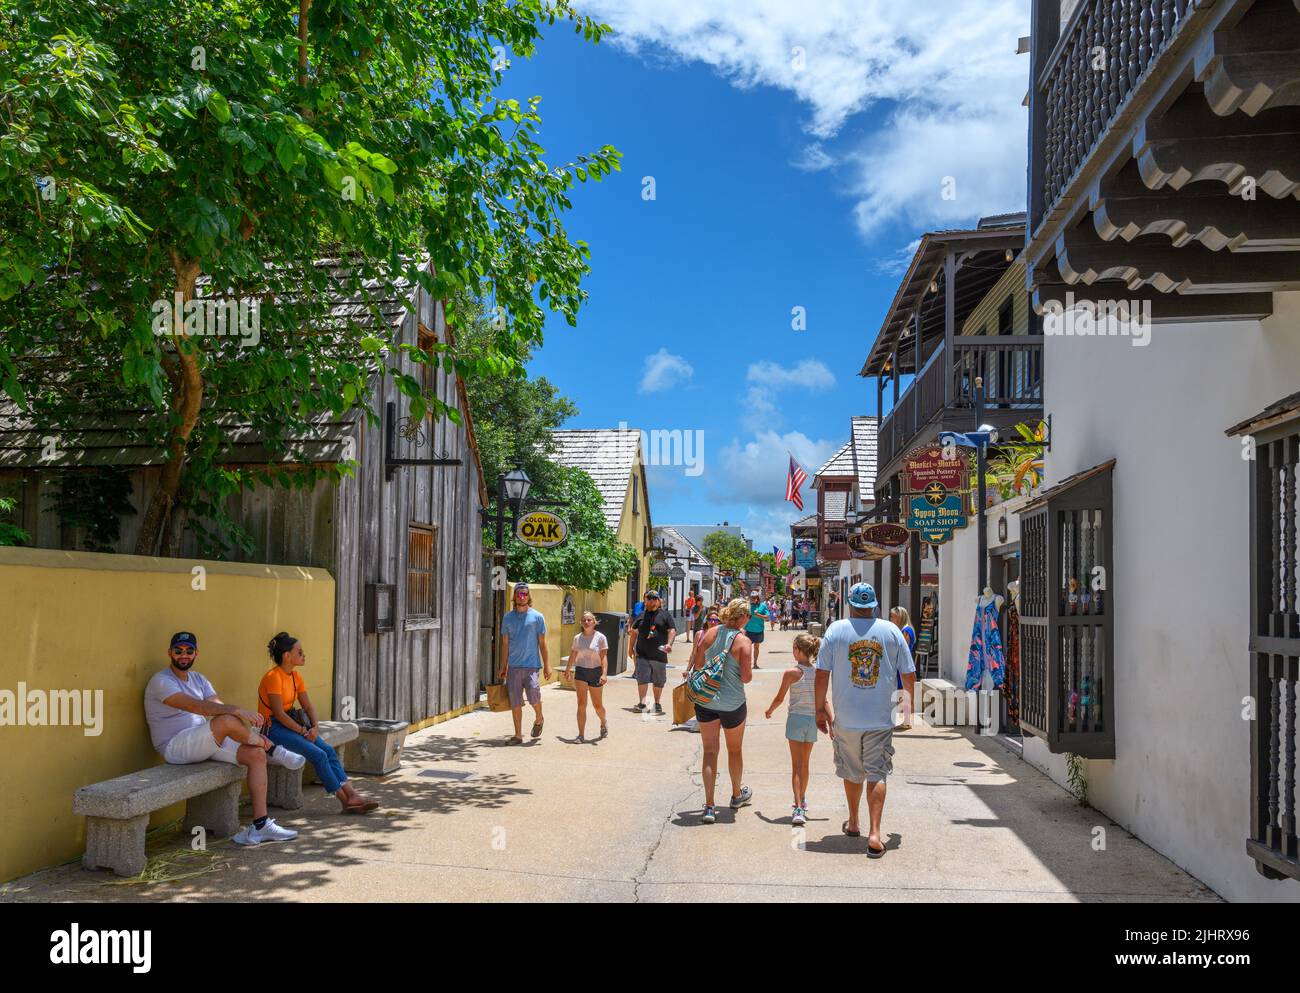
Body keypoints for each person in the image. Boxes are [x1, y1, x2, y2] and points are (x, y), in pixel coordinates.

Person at [143, 631, 302, 846]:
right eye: (178, 651)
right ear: (169, 653)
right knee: (227, 720)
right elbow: (196, 706)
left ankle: (260, 826)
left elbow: (216, 707)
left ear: (196, 653)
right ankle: (273, 748)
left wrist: (237, 717)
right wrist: (238, 711)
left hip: (204, 740)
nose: (184, 655)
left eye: (189, 651)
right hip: (176, 746)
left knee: (255, 755)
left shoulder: (199, 679)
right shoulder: (160, 681)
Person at [815, 582, 915, 859]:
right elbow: (908, 672)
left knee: (851, 770)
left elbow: (822, 673)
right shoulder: (892, 630)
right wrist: (907, 706)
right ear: (874, 606)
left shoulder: (835, 630)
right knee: (877, 772)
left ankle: (854, 821)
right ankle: (874, 833)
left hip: (846, 718)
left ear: (849, 604)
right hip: (880, 718)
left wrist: (819, 708)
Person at [260, 632, 378, 813]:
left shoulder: (295, 677)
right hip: (273, 728)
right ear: (287, 656)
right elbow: (278, 714)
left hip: (292, 724)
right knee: (319, 755)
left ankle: (352, 794)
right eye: (299, 652)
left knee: (328, 750)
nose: (303, 655)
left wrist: (315, 727)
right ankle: (344, 801)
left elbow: (308, 707)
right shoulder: (273, 677)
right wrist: (302, 731)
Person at [685, 598, 754, 823]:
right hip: (732, 702)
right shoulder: (744, 642)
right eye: (748, 616)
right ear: (742, 616)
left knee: (709, 751)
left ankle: (708, 805)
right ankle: (736, 794)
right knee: (734, 750)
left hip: (706, 700)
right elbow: (746, 677)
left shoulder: (710, 633)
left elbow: (697, 665)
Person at [764, 632, 821, 827]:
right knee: (805, 764)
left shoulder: (791, 673)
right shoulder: (817, 672)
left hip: (796, 719)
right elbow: (824, 699)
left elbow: (780, 698)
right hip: (812, 719)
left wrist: (770, 710)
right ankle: (802, 800)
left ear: (798, 650)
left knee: (796, 766)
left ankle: (797, 807)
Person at [499, 582, 551, 744]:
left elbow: (542, 643)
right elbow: (505, 644)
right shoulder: (508, 618)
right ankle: (518, 735)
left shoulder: (537, 617)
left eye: (525, 594)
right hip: (514, 667)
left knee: (534, 698)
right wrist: (503, 666)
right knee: (515, 702)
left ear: (529, 596)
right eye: (519, 594)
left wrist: (547, 665)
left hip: (531, 666)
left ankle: (539, 718)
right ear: (514, 596)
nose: (522, 597)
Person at [628, 589, 674, 714]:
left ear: (659, 601)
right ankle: (642, 703)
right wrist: (630, 647)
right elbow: (634, 632)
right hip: (642, 653)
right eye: (649, 598)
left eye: (654, 598)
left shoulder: (665, 615)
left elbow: (672, 630)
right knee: (642, 678)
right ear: (645, 600)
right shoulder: (641, 615)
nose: (652, 600)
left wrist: (669, 644)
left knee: (658, 681)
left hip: (659, 655)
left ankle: (657, 704)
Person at [564, 611, 608, 742]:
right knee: (581, 704)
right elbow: (573, 654)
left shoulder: (600, 637)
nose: (587, 622)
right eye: (584, 620)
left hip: (596, 671)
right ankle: (581, 735)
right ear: (581, 623)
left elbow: (604, 657)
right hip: (581, 671)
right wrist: (568, 669)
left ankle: (603, 721)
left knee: (597, 705)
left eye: (589, 620)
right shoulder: (578, 638)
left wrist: (604, 674)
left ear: (594, 622)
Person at [890, 607, 917, 731]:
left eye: (893, 616)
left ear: (900, 617)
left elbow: (903, 648)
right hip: (903, 665)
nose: (891, 619)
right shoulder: (905, 629)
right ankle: (906, 721)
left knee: (905, 693)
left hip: (903, 666)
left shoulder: (906, 630)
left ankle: (907, 721)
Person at [743, 590, 770, 669]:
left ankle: (755, 663)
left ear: (758, 598)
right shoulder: (747, 606)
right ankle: (747, 664)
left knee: (756, 647)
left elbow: (767, 617)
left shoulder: (763, 605)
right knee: (746, 648)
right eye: (752, 597)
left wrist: (758, 615)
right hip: (748, 630)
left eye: (755, 597)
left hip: (758, 630)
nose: (753, 599)